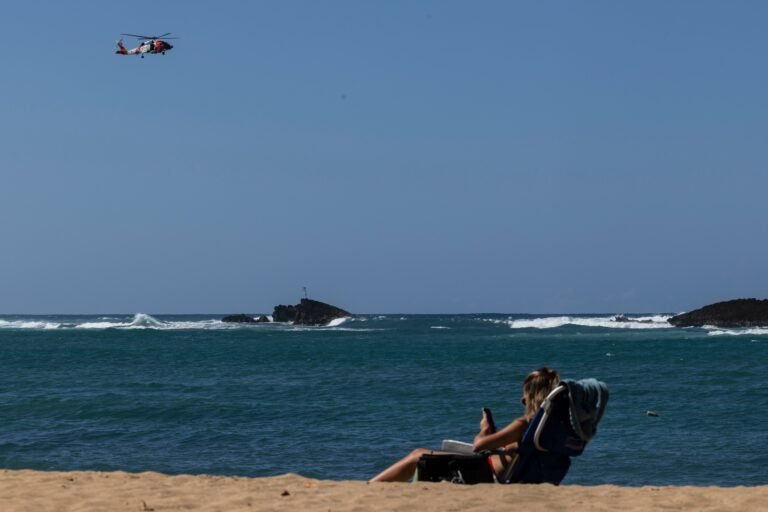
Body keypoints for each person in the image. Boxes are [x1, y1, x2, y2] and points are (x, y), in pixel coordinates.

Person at [369, 367, 560, 483]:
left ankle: (370, 488)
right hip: (497, 470)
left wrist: (484, 430)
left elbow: (478, 446)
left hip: (482, 471)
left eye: (524, 396)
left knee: (417, 455)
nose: (522, 399)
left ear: (532, 397)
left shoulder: (523, 424)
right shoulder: (550, 428)